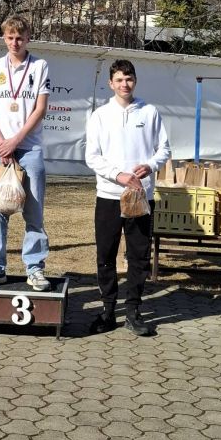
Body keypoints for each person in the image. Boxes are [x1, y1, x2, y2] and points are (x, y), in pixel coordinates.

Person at [85, 58, 170, 336]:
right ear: (111, 83)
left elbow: (164, 149)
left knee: (139, 256)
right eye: (119, 80)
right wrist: (117, 175)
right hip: (109, 196)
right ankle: (108, 310)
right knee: (106, 255)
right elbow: (92, 157)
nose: (125, 84)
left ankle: (133, 312)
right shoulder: (100, 115)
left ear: (135, 81)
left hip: (140, 197)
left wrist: (151, 165)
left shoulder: (150, 112)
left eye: (129, 79)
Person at [0, 15, 51, 291]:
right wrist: (2, 143)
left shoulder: (40, 66)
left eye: (20, 37)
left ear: (28, 38)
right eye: (10, 37)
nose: (15, 42)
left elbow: (40, 109)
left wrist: (15, 141)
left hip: (29, 148)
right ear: (4, 38)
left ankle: (35, 268)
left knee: (34, 213)